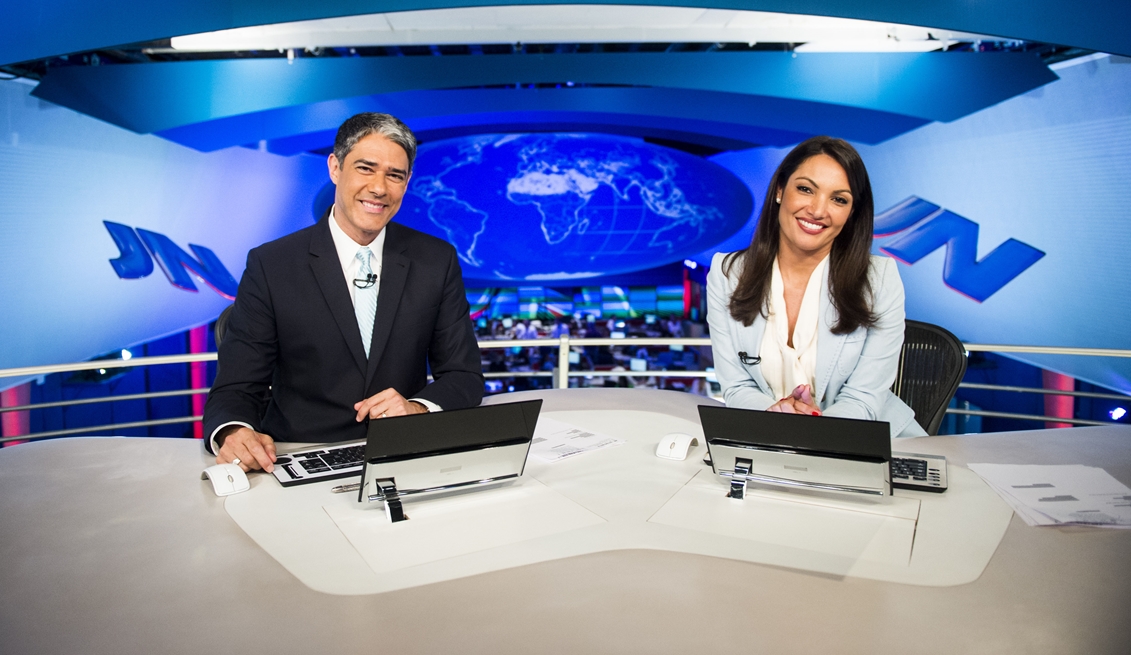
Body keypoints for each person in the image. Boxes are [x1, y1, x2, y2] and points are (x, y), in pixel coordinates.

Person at [203, 113, 484, 472]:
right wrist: (234, 431)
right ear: (335, 168)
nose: (379, 188)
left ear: (407, 182)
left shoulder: (436, 260)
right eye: (365, 168)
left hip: (402, 454)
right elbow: (235, 389)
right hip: (300, 454)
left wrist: (416, 408)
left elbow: (464, 377)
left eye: (394, 175)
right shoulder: (271, 264)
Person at [706, 136, 924, 437]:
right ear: (781, 190)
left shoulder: (880, 279)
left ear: (851, 213)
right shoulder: (727, 273)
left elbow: (863, 399)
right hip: (768, 439)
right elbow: (737, 386)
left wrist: (810, 430)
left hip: (865, 441)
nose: (818, 210)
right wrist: (776, 417)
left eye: (839, 199)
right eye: (806, 189)